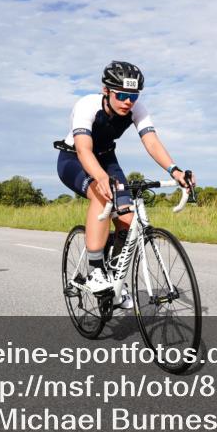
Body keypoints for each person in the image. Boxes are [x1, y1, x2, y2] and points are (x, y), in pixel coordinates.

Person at [56, 61, 194, 308]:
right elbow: (84, 149)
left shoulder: (136, 109)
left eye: (133, 95)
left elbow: (151, 142)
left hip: (107, 157)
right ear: (106, 91)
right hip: (74, 158)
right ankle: (96, 268)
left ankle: (115, 278)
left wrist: (175, 171)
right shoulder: (87, 105)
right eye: (121, 95)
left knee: (128, 219)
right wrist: (99, 177)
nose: (128, 101)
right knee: (102, 194)